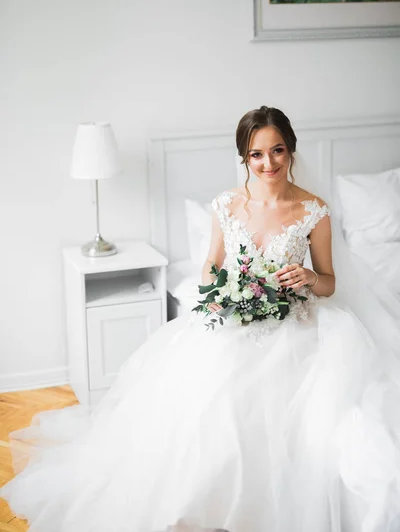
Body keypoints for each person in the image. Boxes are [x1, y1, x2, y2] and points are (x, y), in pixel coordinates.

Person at [1, 106, 400, 532]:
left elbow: (330, 283)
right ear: (244, 157)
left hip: (296, 322)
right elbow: (211, 264)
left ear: (292, 149)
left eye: (278, 151)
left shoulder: (314, 210)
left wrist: (307, 276)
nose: (269, 164)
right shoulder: (227, 205)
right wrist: (225, 288)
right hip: (234, 317)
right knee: (211, 402)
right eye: (257, 154)